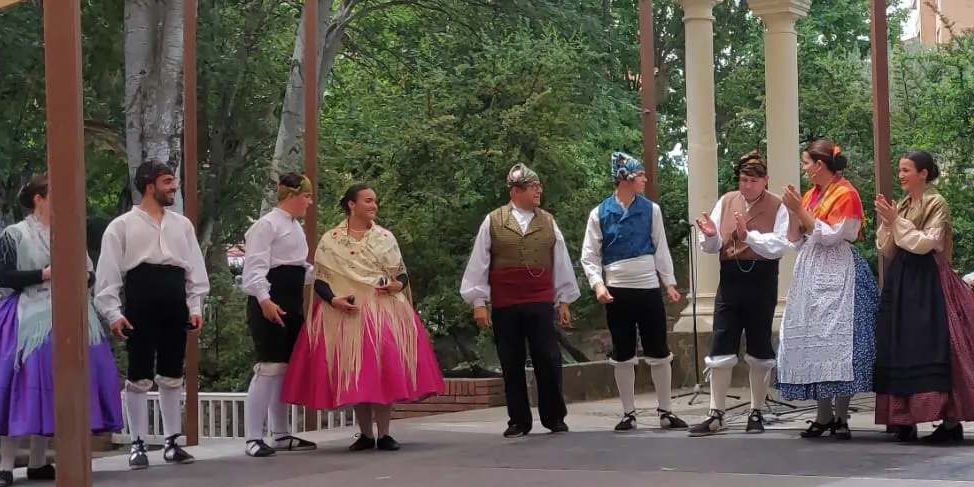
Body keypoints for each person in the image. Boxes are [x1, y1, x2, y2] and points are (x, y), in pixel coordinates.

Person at [0, 174, 124, 486]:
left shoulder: (69, 232)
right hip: (27, 316)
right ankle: (5, 465)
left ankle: (39, 461)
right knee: (21, 385)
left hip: (71, 314)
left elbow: (88, 272)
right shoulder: (14, 234)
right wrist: (44, 274)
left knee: (55, 387)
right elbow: (3, 277)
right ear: (38, 198)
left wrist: (82, 279)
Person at [286, 184, 446, 450]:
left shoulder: (385, 237)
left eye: (375, 202)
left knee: (384, 369)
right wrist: (333, 300)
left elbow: (402, 275)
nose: (374, 206)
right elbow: (322, 280)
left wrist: (397, 285)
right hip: (348, 312)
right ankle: (365, 434)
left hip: (385, 311)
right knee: (358, 373)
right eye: (368, 201)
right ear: (352, 204)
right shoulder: (331, 239)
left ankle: (383, 433)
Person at [872, 150, 974, 444]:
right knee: (900, 343)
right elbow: (887, 248)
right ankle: (903, 418)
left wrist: (897, 222)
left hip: (928, 279)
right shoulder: (905, 204)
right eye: (900, 170)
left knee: (935, 343)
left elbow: (928, 244)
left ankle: (949, 419)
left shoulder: (936, 202)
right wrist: (887, 223)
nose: (901, 175)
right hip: (903, 278)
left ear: (923, 173)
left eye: (907, 170)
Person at [95, 160, 209, 469]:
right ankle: (138, 443)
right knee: (138, 370)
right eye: (167, 181)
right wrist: (114, 314)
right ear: (149, 185)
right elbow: (107, 277)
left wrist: (195, 306)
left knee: (173, 371)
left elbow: (194, 270)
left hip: (174, 297)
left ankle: (172, 441)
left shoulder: (182, 225)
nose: (173, 187)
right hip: (140, 296)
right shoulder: (121, 226)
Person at [461, 164, 579, 437]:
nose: (539, 190)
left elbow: (560, 262)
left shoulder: (548, 221)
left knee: (548, 358)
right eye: (532, 186)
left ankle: (554, 417)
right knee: (511, 361)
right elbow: (479, 263)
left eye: (539, 185)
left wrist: (564, 300)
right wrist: (478, 301)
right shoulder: (493, 220)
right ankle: (518, 420)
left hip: (539, 298)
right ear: (515, 191)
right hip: (506, 301)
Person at [776, 140, 879, 439]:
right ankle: (823, 414)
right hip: (811, 269)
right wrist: (793, 211)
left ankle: (842, 416)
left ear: (820, 164)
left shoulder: (846, 193)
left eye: (806, 162)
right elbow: (795, 238)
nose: (804, 168)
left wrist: (799, 210)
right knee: (813, 338)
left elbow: (832, 236)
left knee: (839, 338)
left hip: (839, 267)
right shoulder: (810, 195)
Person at [581, 152, 686, 432]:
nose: (644, 179)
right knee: (622, 350)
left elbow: (660, 246)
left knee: (658, 349)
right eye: (639, 175)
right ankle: (629, 413)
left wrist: (669, 282)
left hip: (647, 286)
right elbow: (590, 255)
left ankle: (666, 411)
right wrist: (598, 284)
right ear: (625, 178)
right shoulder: (600, 213)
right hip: (616, 287)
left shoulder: (650, 210)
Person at [689, 151, 791, 436]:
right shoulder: (727, 200)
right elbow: (713, 245)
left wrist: (749, 237)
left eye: (752, 180)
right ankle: (715, 413)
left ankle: (756, 410)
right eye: (743, 179)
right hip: (731, 278)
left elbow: (780, 245)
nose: (746, 185)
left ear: (765, 180)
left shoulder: (778, 206)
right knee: (722, 341)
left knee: (759, 345)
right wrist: (710, 235)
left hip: (762, 278)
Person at [239, 172, 319, 457]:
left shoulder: (296, 228)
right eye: (307, 196)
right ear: (294, 195)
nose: (310, 202)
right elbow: (255, 268)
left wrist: (326, 278)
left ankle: (281, 432)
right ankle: (252, 436)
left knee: (283, 369)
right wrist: (264, 299)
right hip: (270, 302)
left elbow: (299, 268)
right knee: (268, 367)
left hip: (292, 301)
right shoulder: (266, 225)